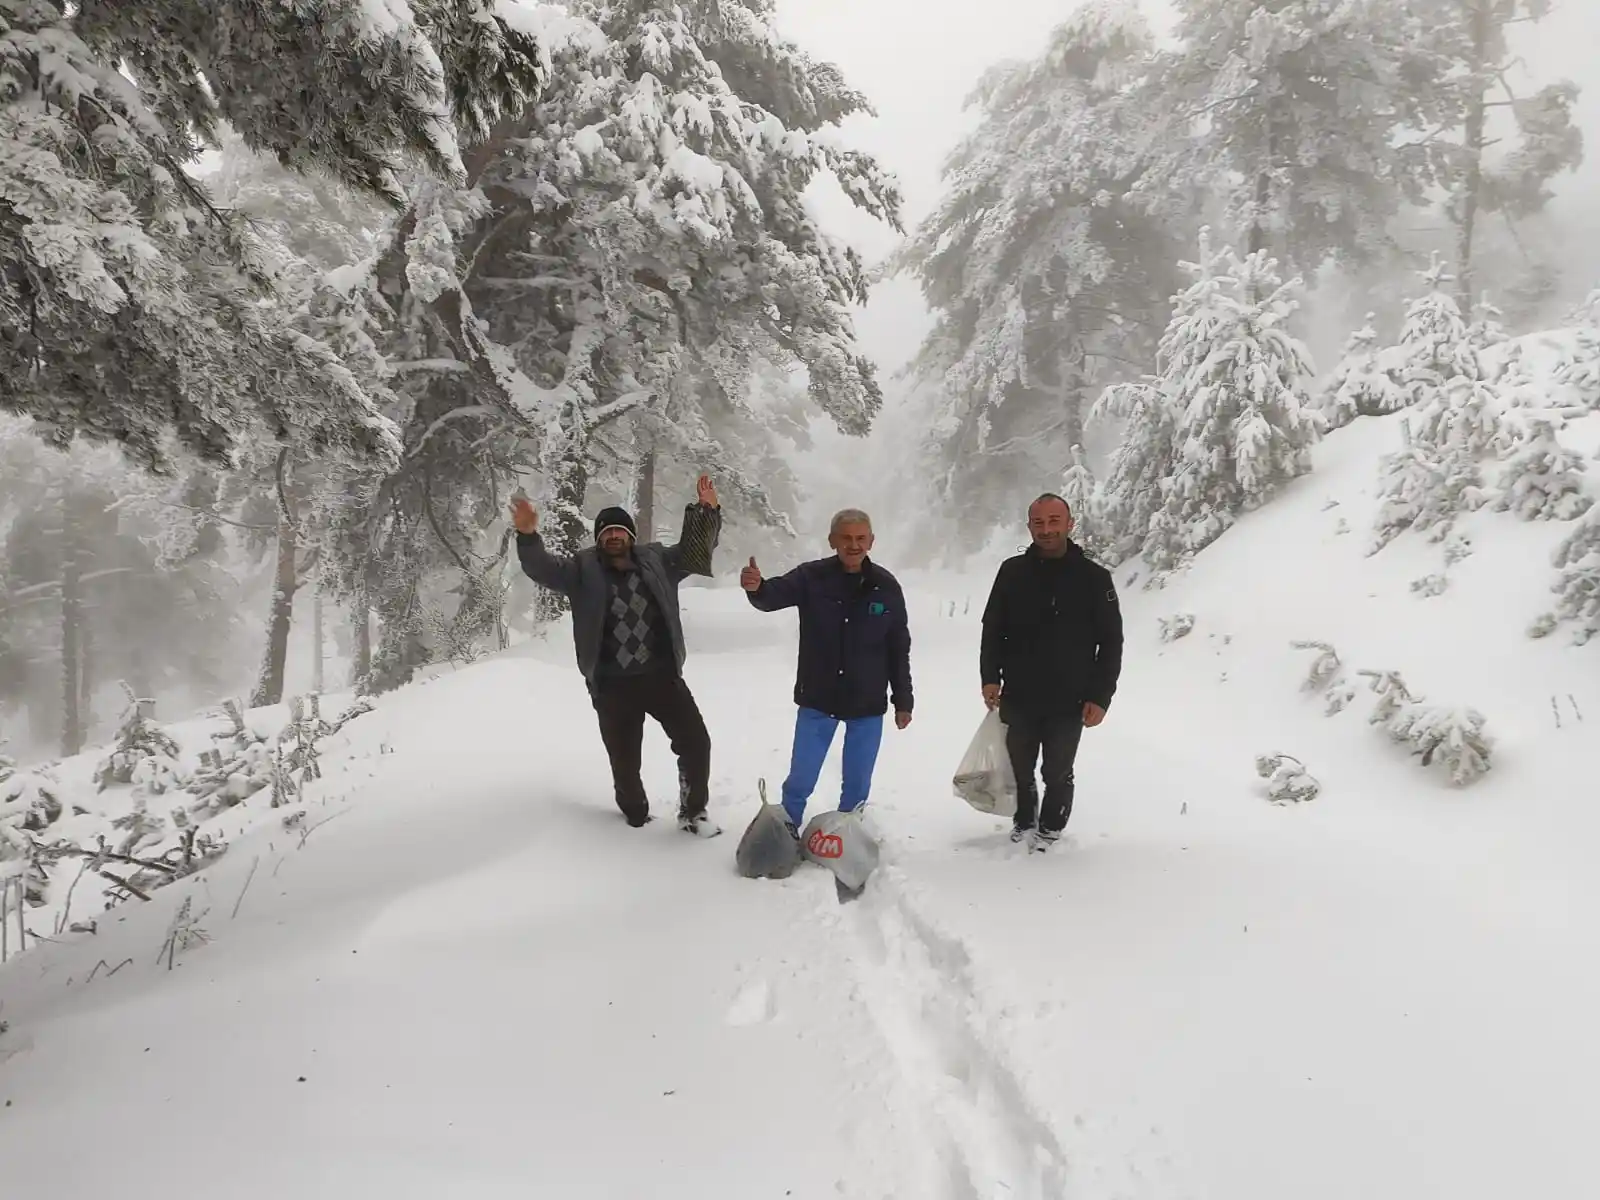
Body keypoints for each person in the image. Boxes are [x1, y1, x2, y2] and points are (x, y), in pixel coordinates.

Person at [511, 476, 723, 835]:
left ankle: (693, 812)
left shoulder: (656, 560)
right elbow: (541, 568)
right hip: (613, 685)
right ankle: (635, 817)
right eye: (606, 532)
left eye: (619, 531)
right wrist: (529, 537)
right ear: (599, 539)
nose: (613, 536)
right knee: (625, 764)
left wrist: (707, 512)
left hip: (662, 677)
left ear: (630, 535)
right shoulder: (581, 570)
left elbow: (694, 551)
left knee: (695, 742)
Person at [741, 508, 913, 834]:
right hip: (818, 697)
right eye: (846, 538)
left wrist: (903, 698)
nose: (853, 545)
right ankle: (788, 828)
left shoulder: (885, 587)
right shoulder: (811, 577)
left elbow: (898, 646)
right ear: (832, 540)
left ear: (871, 542)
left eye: (860, 538)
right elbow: (771, 596)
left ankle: (848, 832)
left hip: (867, 701)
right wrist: (756, 587)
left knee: (858, 780)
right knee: (801, 775)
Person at [979, 493, 1123, 852]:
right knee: (1019, 767)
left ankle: (1052, 827)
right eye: (1039, 523)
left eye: (1054, 521)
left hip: (1070, 699)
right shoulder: (1012, 572)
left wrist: (1100, 696)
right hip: (1019, 693)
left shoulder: (1094, 578)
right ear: (1029, 526)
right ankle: (1024, 820)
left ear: (1069, 524)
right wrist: (989, 676)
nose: (1046, 530)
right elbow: (992, 628)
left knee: (1057, 771)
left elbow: (1111, 643)